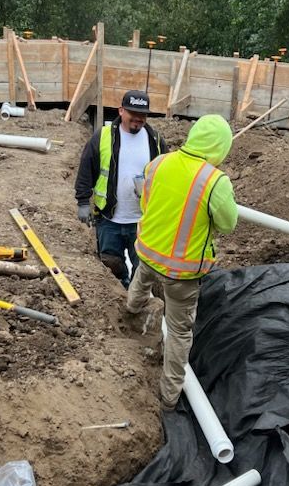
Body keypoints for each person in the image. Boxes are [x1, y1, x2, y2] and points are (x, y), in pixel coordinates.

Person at [125, 114, 238, 410]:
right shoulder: (215, 181)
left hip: (148, 251)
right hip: (181, 272)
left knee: (140, 281)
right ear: (220, 147)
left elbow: (146, 202)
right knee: (178, 332)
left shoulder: (159, 163)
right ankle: (169, 396)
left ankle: (131, 309)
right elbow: (228, 224)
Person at [74, 90, 167, 287]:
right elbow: (86, 168)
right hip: (109, 218)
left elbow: (166, 176)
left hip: (143, 220)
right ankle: (121, 286)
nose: (138, 119)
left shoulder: (155, 140)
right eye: (133, 114)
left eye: (142, 115)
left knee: (142, 268)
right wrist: (83, 202)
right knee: (110, 262)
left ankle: (134, 295)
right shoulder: (103, 136)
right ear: (121, 111)